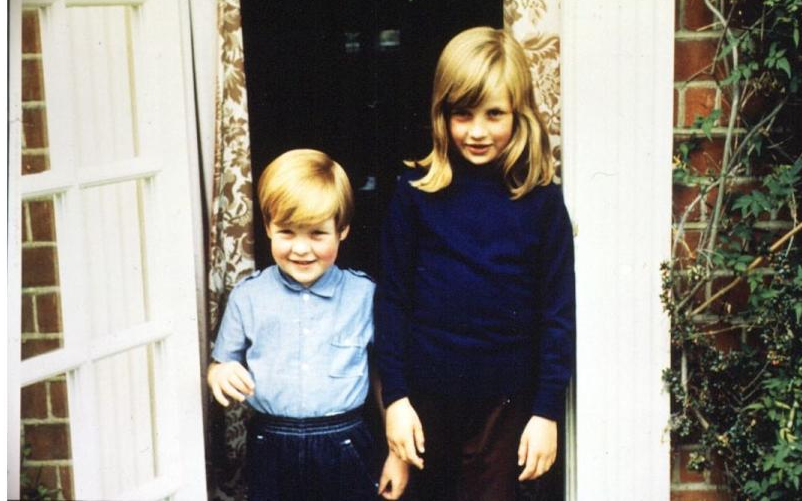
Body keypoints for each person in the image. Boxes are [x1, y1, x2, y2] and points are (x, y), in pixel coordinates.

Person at [375, 26, 576, 500]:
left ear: (519, 114)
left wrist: (546, 413)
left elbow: (557, 315)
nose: (478, 131)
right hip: (427, 405)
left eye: (494, 114)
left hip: (505, 409)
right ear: (441, 114)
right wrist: (396, 401)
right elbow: (392, 303)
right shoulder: (414, 195)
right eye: (462, 115)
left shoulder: (541, 201)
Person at [209, 148, 409, 501]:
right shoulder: (248, 296)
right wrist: (220, 372)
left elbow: (385, 376)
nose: (301, 249)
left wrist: (397, 455)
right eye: (287, 232)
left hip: (345, 443)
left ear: (343, 230)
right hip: (270, 443)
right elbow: (222, 362)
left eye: (317, 234)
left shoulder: (364, 295)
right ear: (268, 225)